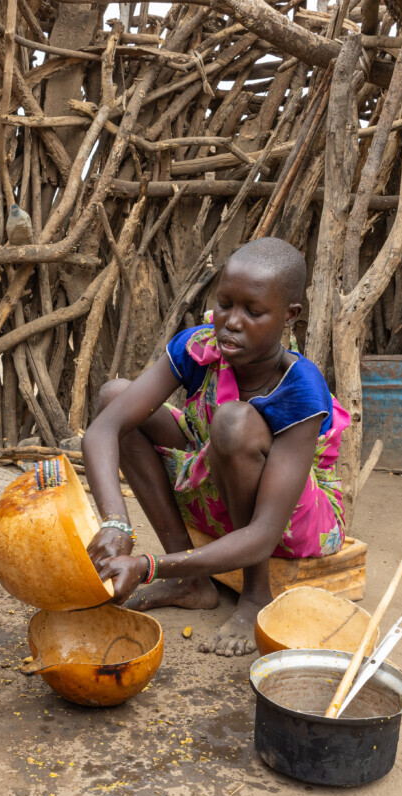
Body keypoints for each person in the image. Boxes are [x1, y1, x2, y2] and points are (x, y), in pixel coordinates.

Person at [81, 237, 350, 656]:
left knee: (232, 421)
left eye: (253, 311)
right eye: (224, 304)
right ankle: (192, 581)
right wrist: (116, 523)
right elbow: (102, 430)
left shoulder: (299, 387)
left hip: (292, 519)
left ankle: (255, 594)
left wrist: (147, 567)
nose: (231, 322)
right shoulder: (199, 347)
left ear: (289, 316)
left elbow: (263, 535)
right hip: (219, 480)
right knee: (117, 395)